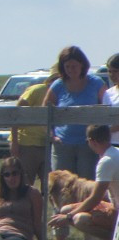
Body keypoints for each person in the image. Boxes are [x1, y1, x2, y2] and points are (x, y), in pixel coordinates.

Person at [48, 124, 118, 240]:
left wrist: (68, 217)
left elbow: (96, 198)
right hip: (114, 207)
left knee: (79, 219)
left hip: (116, 211)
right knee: (65, 209)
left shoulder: (106, 161)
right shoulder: (115, 153)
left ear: (91, 141)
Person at [43, 46, 105, 179]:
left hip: (89, 143)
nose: (71, 70)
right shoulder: (58, 85)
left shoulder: (96, 83)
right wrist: (51, 135)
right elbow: (44, 111)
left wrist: (100, 136)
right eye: (68, 66)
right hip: (63, 143)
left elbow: (107, 110)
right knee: (62, 184)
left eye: (74, 66)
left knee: (86, 183)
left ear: (82, 65)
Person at [10, 71, 59, 193]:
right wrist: (14, 141)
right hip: (27, 144)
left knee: (50, 185)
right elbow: (16, 113)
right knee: (25, 182)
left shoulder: (64, 94)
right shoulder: (37, 90)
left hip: (48, 144)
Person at [102, 53, 119, 146]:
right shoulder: (108, 93)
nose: (112, 75)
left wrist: (108, 130)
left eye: (115, 71)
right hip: (111, 142)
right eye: (110, 71)